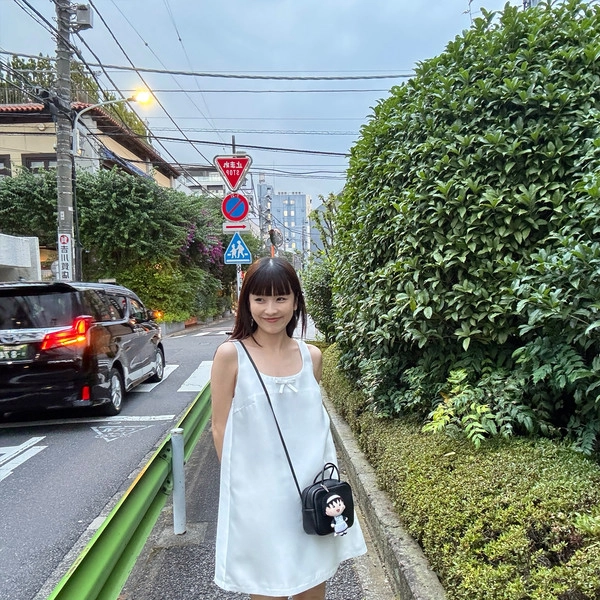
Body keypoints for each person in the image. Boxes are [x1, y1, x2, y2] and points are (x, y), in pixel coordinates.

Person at [210, 257, 367, 600]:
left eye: (281, 298)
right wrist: (243, 492)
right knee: (267, 589)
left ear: (296, 301)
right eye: (260, 299)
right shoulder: (230, 356)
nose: (270, 309)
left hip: (310, 496)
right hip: (259, 502)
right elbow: (219, 428)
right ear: (247, 303)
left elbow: (309, 429)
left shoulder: (312, 357)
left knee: (313, 587)